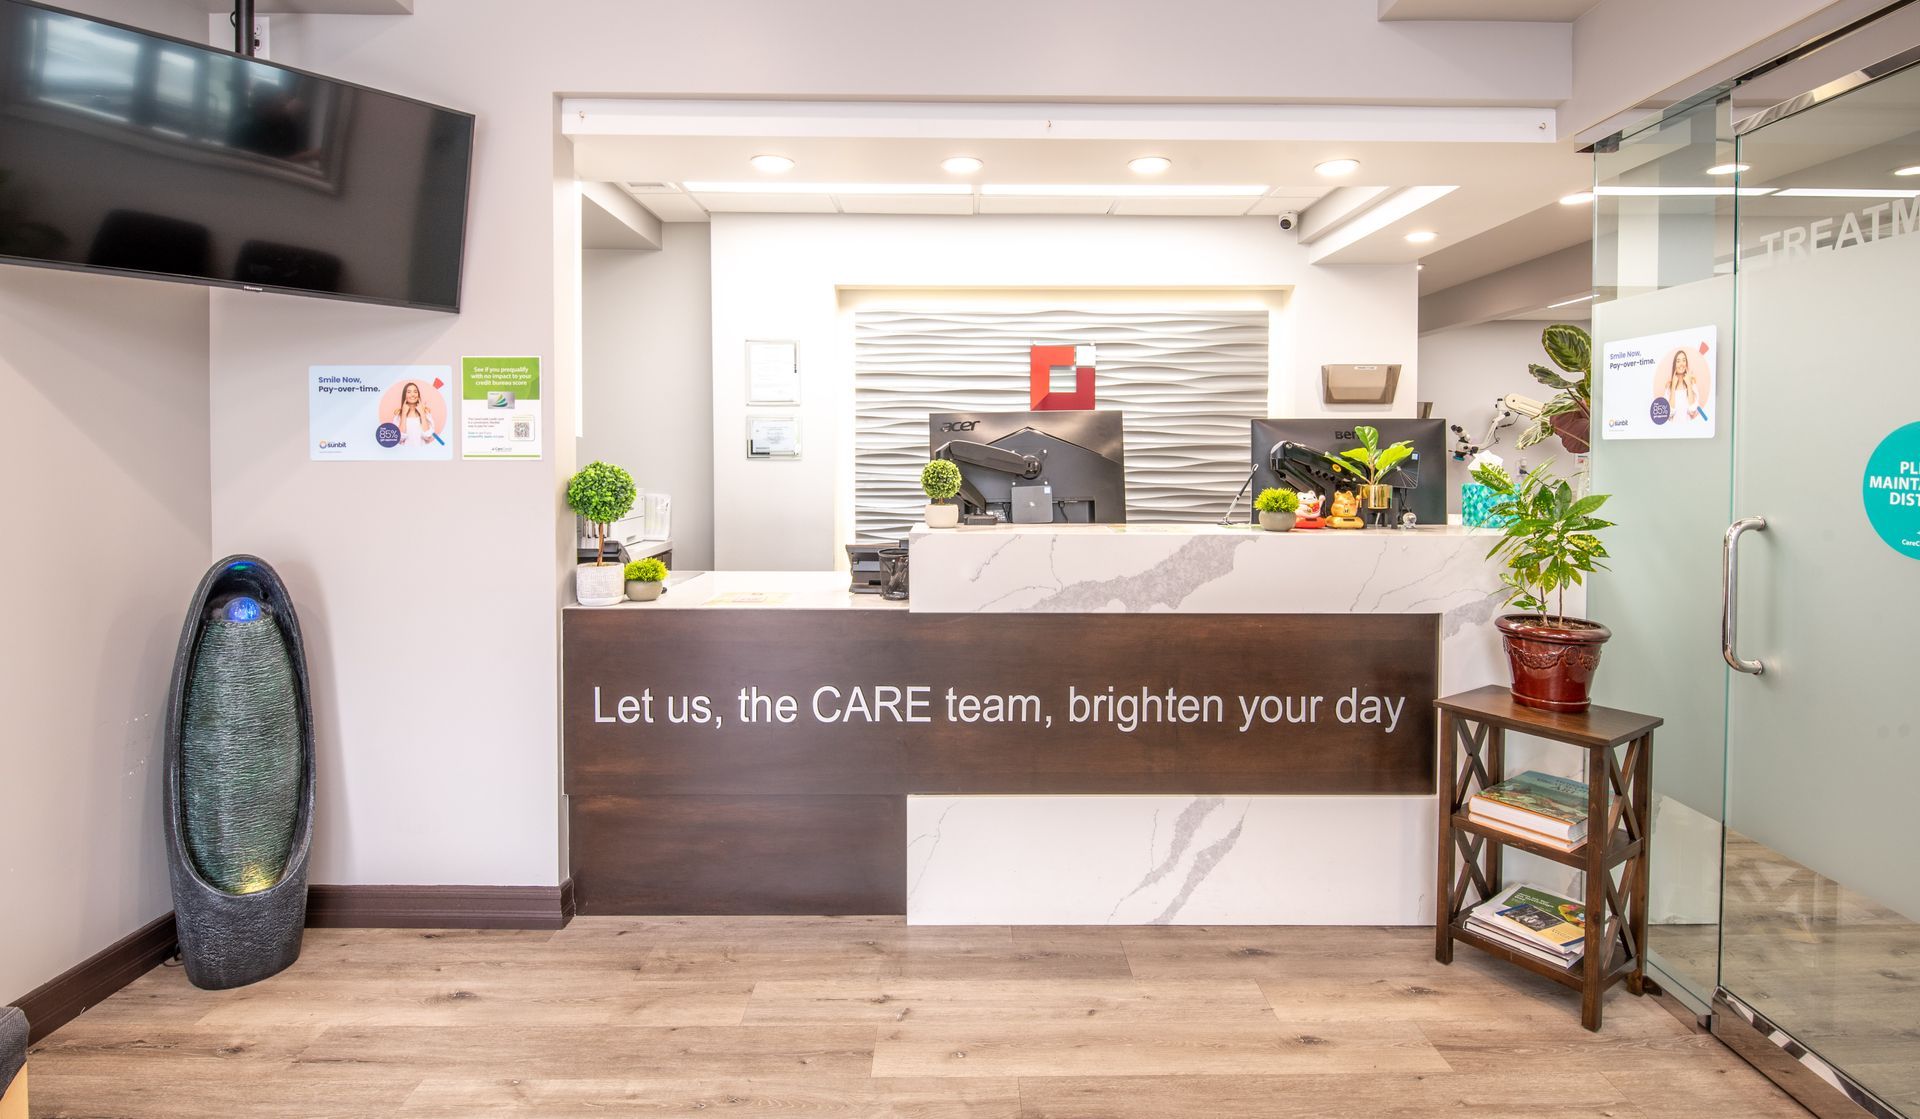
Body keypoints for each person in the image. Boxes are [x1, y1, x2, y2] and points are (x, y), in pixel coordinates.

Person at [1661, 350, 1702, 421]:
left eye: (1684, 360)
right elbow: (1669, 413)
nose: (1681, 364)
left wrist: (1689, 384)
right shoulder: (1669, 385)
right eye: (1678, 361)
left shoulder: (1692, 383)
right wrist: (1673, 385)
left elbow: (1692, 411)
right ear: (1675, 364)